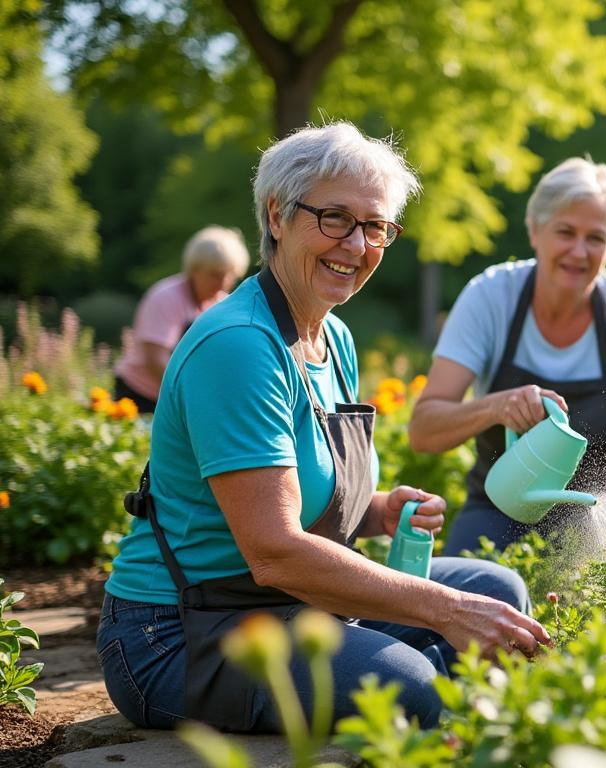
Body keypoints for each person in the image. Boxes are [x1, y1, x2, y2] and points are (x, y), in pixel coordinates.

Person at [97, 122, 549, 735]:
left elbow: (301, 485)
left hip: (295, 604)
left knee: (495, 589)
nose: (357, 245)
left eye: (376, 227)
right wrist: (444, 611)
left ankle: (451, 715)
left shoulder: (333, 337)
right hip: (184, 632)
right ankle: (438, 712)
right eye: (334, 218)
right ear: (278, 215)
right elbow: (274, 549)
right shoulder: (240, 345)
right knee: (404, 684)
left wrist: (378, 510)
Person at [409, 157, 606, 554]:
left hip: (599, 509)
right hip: (498, 508)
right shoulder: (489, 296)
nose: (579, 251)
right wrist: (496, 408)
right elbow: (423, 431)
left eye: (596, 238)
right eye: (565, 232)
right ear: (535, 230)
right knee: (463, 595)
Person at [112, 226, 250, 413]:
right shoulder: (166, 297)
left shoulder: (224, 305)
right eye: (215, 274)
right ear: (194, 269)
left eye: (229, 274)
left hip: (184, 398)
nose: (223, 282)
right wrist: (197, 395)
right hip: (140, 396)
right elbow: (155, 360)